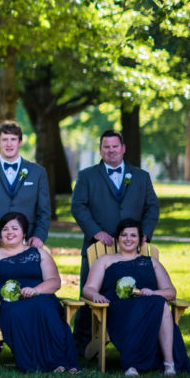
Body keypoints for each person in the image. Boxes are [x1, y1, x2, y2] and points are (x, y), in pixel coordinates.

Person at [71, 129, 159, 351]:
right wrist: (95, 232)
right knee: (88, 295)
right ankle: (82, 346)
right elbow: (78, 206)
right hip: (98, 248)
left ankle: (142, 339)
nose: (110, 150)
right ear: (100, 150)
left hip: (132, 248)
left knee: (136, 292)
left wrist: (145, 233)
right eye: (106, 147)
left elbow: (152, 207)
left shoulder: (141, 176)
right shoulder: (87, 176)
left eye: (114, 146)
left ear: (123, 149)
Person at [0, 212, 79, 373]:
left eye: (15, 228)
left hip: (39, 297)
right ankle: (37, 363)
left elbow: (54, 281)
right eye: (5, 229)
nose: (9, 232)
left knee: (46, 308)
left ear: (24, 232)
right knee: (17, 313)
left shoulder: (39, 253)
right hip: (8, 305)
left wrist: (36, 290)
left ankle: (61, 361)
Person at [81, 218, 190, 376]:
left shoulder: (150, 262)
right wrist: (95, 295)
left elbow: (171, 292)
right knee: (155, 306)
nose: (128, 239)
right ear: (117, 238)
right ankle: (131, 365)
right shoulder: (105, 260)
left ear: (140, 239)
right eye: (124, 235)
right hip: (117, 308)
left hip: (149, 303)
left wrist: (153, 293)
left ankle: (169, 364)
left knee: (160, 304)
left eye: (133, 235)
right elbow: (88, 288)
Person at [0, 121, 50, 249]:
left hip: (28, 241)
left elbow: (44, 210)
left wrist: (39, 236)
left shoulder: (37, 172)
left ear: (20, 143)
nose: (9, 144)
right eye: (5, 139)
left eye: (13, 139)